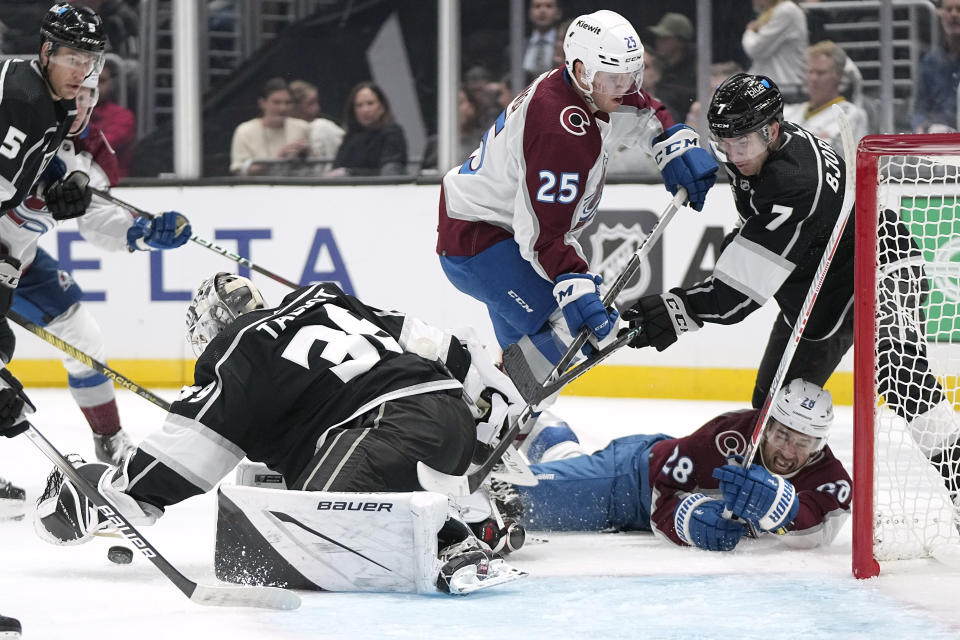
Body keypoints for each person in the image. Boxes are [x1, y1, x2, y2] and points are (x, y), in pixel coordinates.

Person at [22, 274, 529, 594]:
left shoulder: (239, 349)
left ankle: (454, 530)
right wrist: (489, 408)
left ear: (211, 326)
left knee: (303, 530)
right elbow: (434, 341)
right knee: (299, 488)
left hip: (383, 428)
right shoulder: (323, 299)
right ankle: (470, 504)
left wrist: (116, 495)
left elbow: (186, 455)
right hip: (446, 415)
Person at [620, 72, 960, 505]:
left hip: (883, 264)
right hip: (817, 289)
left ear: (773, 130)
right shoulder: (760, 152)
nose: (732, 154)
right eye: (723, 143)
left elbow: (737, 298)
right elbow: (763, 230)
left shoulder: (793, 182)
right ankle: (774, 501)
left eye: (742, 142)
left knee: (900, 368)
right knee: (771, 410)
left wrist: (676, 310)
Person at [436, 9, 718, 388]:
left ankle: (495, 415)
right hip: (480, 241)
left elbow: (646, 110)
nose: (624, 87)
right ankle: (481, 408)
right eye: (614, 78)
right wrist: (574, 282)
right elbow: (542, 235)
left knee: (525, 359)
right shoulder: (561, 130)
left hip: (492, 232)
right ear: (581, 69)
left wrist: (669, 143)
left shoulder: (595, 90)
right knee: (567, 335)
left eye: (630, 76)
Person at [3, 69, 190, 469]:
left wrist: (141, 233)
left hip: (19, 258)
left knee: (82, 335)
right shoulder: (17, 116)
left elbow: (98, 219)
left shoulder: (89, 149)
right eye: (76, 93)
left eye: (89, 95)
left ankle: (110, 439)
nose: (80, 104)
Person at [512, 379, 851, 551]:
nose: (788, 452)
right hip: (632, 483)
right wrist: (687, 521)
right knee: (513, 498)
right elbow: (664, 486)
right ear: (766, 425)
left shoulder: (831, 480)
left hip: (639, 486)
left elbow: (818, 529)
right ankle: (507, 411)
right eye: (781, 435)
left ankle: (542, 431)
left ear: (819, 444)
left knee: (569, 469)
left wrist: (785, 507)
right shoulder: (728, 434)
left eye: (803, 443)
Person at [0, 2, 107, 518]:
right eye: (74, 58)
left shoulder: (54, 107)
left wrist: (73, 182)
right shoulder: (18, 99)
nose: (83, 71)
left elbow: (72, 162)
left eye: (92, 61)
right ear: (46, 51)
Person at [783, 41, 868, 154]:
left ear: (838, 76)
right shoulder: (789, 111)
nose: (813, 78)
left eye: (820, 73)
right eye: (810, 72)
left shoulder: (852, 115)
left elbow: (844, 158)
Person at [229, 77, 310, 176]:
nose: (283, 108)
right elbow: (239, 171)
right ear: (262, 103)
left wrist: (308, 153)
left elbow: (314, 167)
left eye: (288, 103)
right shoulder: (244, 131)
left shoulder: (302, 127)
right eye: (276, 102)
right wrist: (279, 157)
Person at [329, 82, 407, 177]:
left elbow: (390, 172)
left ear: (382, 107)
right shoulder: (352, 136)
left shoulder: (393, 133)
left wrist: (349, 173)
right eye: (359, 105)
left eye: (370, 103)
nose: (365, 110)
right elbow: (337, 168)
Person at [741, 0, 808, 101]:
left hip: (785, 87)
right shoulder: (774, 11)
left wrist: (750, 31)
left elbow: (756, 49)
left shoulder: (786, 10)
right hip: (771, 86)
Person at [912, 0, 960, 133]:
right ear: (941, 14)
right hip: (940, 142)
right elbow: (920, 109)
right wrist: (920, 127)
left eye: (959, 9)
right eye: (949, 10)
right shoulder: (930, 62)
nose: (954, 15)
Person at [88, 57, 135, 178]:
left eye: (101, 80)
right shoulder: (68, 112)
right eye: (88, 79)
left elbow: (102, 146)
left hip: (114, 187)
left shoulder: (123, 117)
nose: (95, 86)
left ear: (112, 84)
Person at [647, 12, 697, 125]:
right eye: (658, 38)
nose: (658, 42)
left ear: (680, 41)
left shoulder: (695, 68)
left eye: (665, 38)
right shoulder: (658, 62)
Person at [288, 79, 344, 168]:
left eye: (316, 102)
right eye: (310, 103)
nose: (317, 108)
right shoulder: (285, 129)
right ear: (295, 106)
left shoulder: (323, 126)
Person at [523, 0, 564, 82]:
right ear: (530, 13)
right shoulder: (517, 47)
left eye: (549, 6)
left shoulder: (565, 45)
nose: (542, 11)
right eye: (537, 6)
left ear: (558, 13)